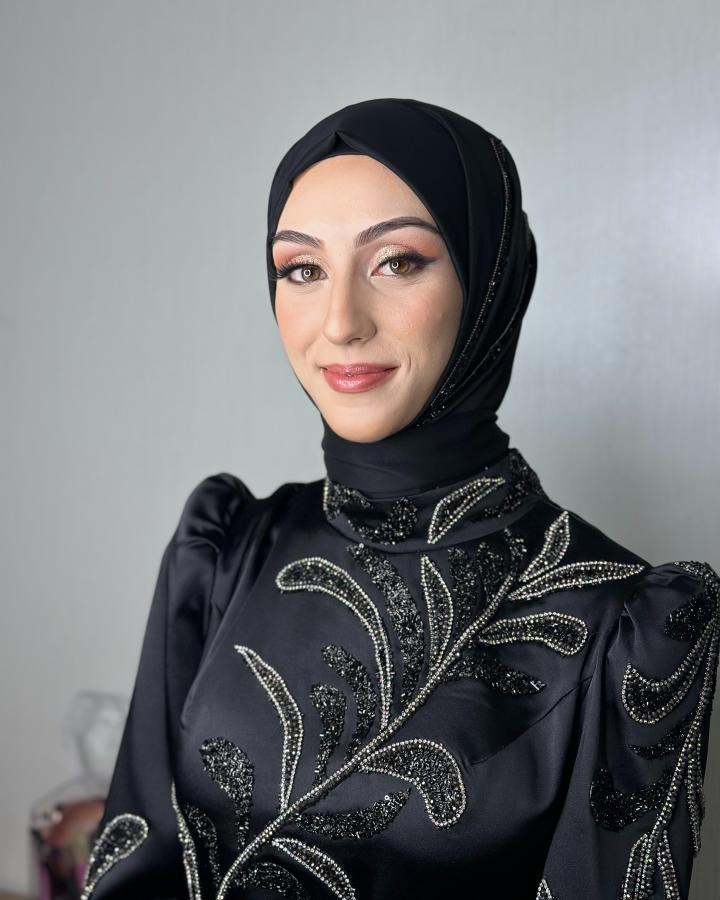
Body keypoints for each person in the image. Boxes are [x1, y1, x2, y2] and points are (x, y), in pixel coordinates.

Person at [80, 98, 719, 900]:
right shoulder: (224, 551)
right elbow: (135, 863)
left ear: (490, 280)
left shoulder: (624, 626)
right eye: (302, 269)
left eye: (398, 261)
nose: (340, 322)